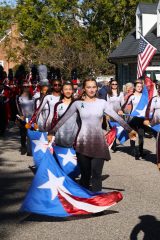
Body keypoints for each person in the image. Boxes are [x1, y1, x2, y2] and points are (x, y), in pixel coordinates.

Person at [48, 77, 135, 192]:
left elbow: (117, 117)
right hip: (82, 143)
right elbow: (63, 119)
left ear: (97, 88)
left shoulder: (102, 103)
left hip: (99, 143)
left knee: (96, 175)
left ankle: (97, 206)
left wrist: (129, 130)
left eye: (94, 87)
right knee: (85, 176)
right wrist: (52, 132)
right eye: (88, 87)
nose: (91, 89)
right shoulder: (77, 104)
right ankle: (84, 203)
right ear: (84, 89)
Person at [121, 81, 147, 159]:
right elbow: (124, 105)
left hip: (141, 119)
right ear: (135, 87)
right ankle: (134, 151)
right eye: (138, 86)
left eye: (141, 86)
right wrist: (121, 110)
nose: (139, 88)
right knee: (133, 134)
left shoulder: (144, 96)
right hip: (133, 118)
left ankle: (141, 152)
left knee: (141, 135)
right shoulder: (132, 96)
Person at [51, 81, 79, 147]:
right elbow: (54, 120)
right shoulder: (58, 105)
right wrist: (51, 134)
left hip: (74, 138)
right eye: (66, 89)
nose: (68, 91)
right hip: (60, 137)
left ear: (72, 91)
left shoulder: (77, 104)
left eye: (70, 89)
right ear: (62, 91)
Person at [16, 82, 34, 154]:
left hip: (31, 118)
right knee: (23, 134)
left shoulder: (32, 97)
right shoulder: (18, 97)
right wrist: (20, 116)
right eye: (24, 86)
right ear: (22, 87)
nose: (26, 88)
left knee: (31, 133)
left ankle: (30, 149)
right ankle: (23, 147)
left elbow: (35, 107)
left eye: (27, 86)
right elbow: (17, 107)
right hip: (23, 118)